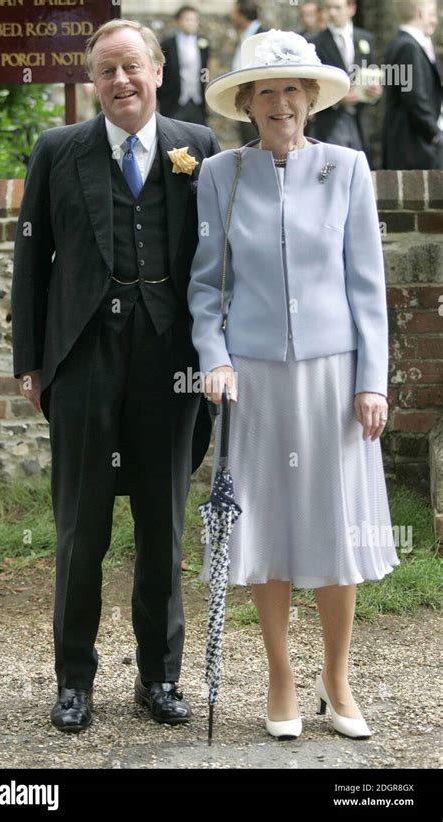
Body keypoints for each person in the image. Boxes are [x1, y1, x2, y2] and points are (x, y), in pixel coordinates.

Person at [187, 29, 400, 741]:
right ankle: (280, 674)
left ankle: (336, 676)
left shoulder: (346, 168)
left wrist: (372, 379)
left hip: (335, 379)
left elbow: (367, 286)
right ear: (247, 104)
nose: (281, 103)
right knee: (262, 527)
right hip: (252, 381)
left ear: (310, 99)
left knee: (335, 526)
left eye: (292, 90)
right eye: (266, 92)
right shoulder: (221, 175)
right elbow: (206, 285)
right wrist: (212, 355)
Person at [11, 19, 220, 732]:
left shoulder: (200, 146)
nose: (120, 82)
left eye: (132, 67)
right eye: (106, 71)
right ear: (92, 81)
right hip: (84, 358)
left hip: (173, 360)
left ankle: (159, 679)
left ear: (158, 71)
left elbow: (222, 259)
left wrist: (223, 356)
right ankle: (74, 681)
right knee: (81, 528)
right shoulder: (57, 149)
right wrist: (31, 361)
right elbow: (30, 262)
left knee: (163, 525)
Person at [309, 0, 382, 161]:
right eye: (328, 8)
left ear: (351, 8)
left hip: (361, 120)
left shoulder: (366, 38)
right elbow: (313, 86)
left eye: (337, 7)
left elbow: (372, 72)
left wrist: (375, 92)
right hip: (331, 122)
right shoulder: (316, 42)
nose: (332, 12)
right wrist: (338, 99)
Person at [383, 0, 442, 170]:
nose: (434, 20)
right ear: (421, 13)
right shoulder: (408, 47)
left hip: (404, 142)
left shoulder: (397, 44)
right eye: (432, 14)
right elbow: (414, 96)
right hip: (413, 145)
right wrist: (434, 134)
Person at [157, 5, 210, 125]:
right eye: (187, 19)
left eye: (194, 20)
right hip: (174, 101)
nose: (191, 23)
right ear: (178, 21)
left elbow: (205, 70)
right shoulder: (167, 44)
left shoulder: (203, 43)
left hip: (197, 100)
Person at [230, 0, 269, 145]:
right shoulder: (245, 36)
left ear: (241, 14)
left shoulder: (263, 36)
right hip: (246, 101)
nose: (231, 16)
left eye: (234, 12)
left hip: (257, 100)